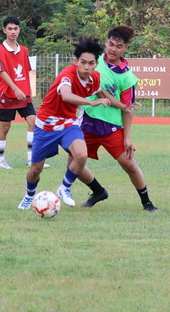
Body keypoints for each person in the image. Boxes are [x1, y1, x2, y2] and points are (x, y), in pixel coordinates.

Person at [17, 37, 112, 210]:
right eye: (83, 62)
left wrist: (122, 106)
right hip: (46, 125)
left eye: (91, 63)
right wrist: (91, 102)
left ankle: (64, 188)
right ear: (76, 61)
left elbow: (100, 92)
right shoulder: (67, 75)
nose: (87, 67)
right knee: (36, 170)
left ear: (96, 64)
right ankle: (29, 195)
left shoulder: (95, 78)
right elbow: (66, 95)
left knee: (82, 155)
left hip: (68, 124)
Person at [75, 26, 159, 212]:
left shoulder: (127, 77)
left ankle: (147, 203)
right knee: (74, 165)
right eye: (110, 44)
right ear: (105, 42)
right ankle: (98, 192)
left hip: (112, 127)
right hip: (87, 122)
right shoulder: (94, 61)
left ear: (125, 48)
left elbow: (128, 109)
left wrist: (127, 137)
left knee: (129, 164)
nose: (113, 49)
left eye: (118, 46)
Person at [0, 16, 38, 169]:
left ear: (19, 30)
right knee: (5, 127)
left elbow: (25, 72)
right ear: (4, 30)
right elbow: (3, 73)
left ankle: (31, 159)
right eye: (10, 29)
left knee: (34, 123)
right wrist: (15, 88)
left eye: (15, 28)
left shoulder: (24, 50)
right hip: (7, 94)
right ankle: (0, 161)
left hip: (23, 94)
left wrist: (27, 90)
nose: (13, 31)